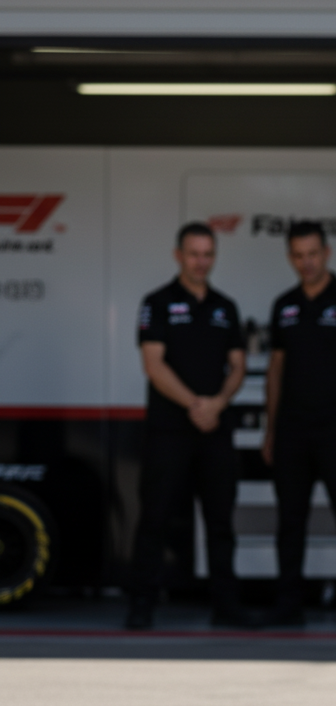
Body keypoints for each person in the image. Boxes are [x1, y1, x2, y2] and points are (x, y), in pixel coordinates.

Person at [126, 222, 250, 630]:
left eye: (208, 254)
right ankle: (141, 604)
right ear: (178, 255)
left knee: (220, 521)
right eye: (194, 254)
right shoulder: (157, 303)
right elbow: (153, 365)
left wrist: (217, 403)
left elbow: (238, 366)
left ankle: (226, 607)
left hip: (215, 430)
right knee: (155, 517)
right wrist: (196, 404)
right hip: (169, 430)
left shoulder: (225, 307)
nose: (201, 262)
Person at [262, 221, 336, 630]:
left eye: (312, 254)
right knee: (290, 521)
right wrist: (271, 430)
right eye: (298, 255)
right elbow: (276, 370)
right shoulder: (284, 305)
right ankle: (288, 605)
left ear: (326, 253)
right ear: (290, 257)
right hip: (292, 431)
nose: (306, 262)